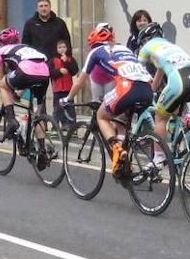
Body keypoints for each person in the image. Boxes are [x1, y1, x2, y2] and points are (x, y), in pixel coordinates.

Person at [62, 23, 155, 172]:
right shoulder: (124, 49)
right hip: (147, 88)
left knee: (102, 116)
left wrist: (68, 98)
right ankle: (124, 165)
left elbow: (81, 79)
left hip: (127, 87)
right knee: (121, 123)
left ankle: (118, 150)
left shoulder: (96, 51)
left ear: (93, 43)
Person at [135, 22, 190, 165]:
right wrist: (151, 91)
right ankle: (187, 145)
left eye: (142, 42)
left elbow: (138, 71)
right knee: (175, 112)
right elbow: (159, 75)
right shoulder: (171, 47)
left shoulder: (148, 47)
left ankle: (159, 158)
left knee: (160, 117)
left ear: (146, 39)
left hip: (179, 79)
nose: (142, 45)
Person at [0, 27, 52, 149]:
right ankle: (42, 151)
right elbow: (27, 74)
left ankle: (11, 120)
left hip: (26, 71)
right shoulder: (26, 48)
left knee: (2, 85)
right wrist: (18, 94)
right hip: (44, 74)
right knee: (36, 117)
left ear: (1, 43)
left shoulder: (1, 52)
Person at [50, 38, 79, 121]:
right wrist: (59, 71)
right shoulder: (53, 60)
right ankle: (55, 127)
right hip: (57, 90)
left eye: (64, 47)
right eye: (60, 47)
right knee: (57, 109)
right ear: (56, 49)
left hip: (68, 89)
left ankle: (71, 127)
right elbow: (50, 73)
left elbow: (74, 71)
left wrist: (66, 62)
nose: (62, 49)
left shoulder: (71, 59)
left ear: (67, 48)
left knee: (69, 108)